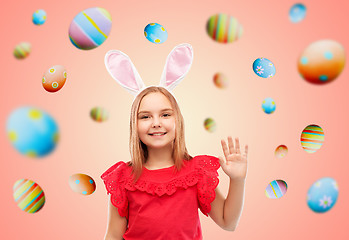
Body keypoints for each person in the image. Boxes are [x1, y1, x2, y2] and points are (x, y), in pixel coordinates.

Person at [101, 44, 248, 240]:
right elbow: (113, 235)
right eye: (145, 117)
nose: (156, 123)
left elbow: (227, 222)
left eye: (165, 114)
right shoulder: (123, 178)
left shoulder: (197, 172)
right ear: (133, 125)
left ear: (177, 120)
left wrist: (238, 180)